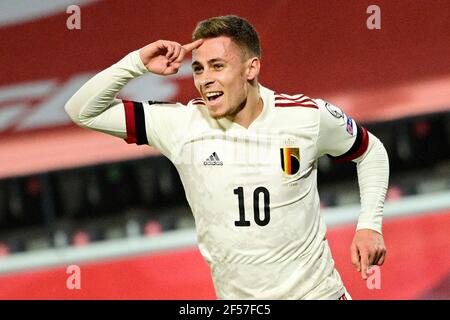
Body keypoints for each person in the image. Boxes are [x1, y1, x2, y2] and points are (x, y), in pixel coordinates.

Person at [65, 15, 389, 300]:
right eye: (198, 68)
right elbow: (82, 111)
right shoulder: (181, 125)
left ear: (251, 68)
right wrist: (136, 63)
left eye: (218, 66)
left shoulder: (307, 116)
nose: (205, 79)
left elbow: (370, 150)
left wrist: (370, 226)